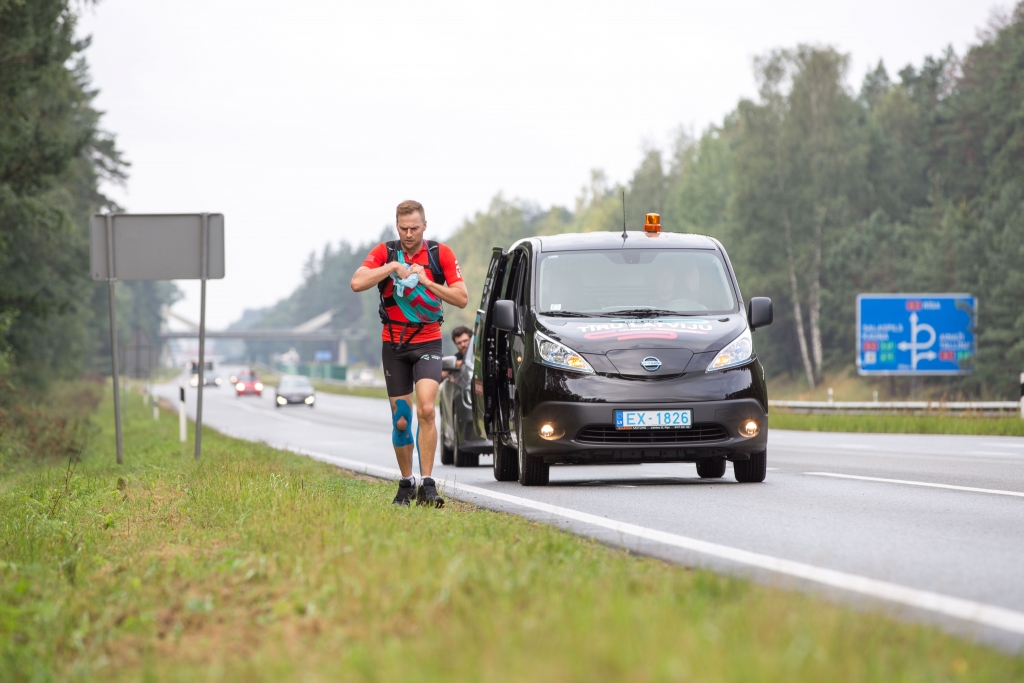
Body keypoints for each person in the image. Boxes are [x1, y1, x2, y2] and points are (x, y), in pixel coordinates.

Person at [350, 200, 469, 507]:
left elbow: (461, 298)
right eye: (403, 228)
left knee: (426, 409)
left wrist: (427, 281)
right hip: (394, 345)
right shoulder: (385, 252)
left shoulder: (440, 254)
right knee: (401, 419)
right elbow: (357, 282)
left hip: (428, 342)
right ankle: (407, 482)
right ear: (397, 226)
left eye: (414, 228)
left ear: (424, 226)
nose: (409, 234)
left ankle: (428, 484)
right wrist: (391, 268)